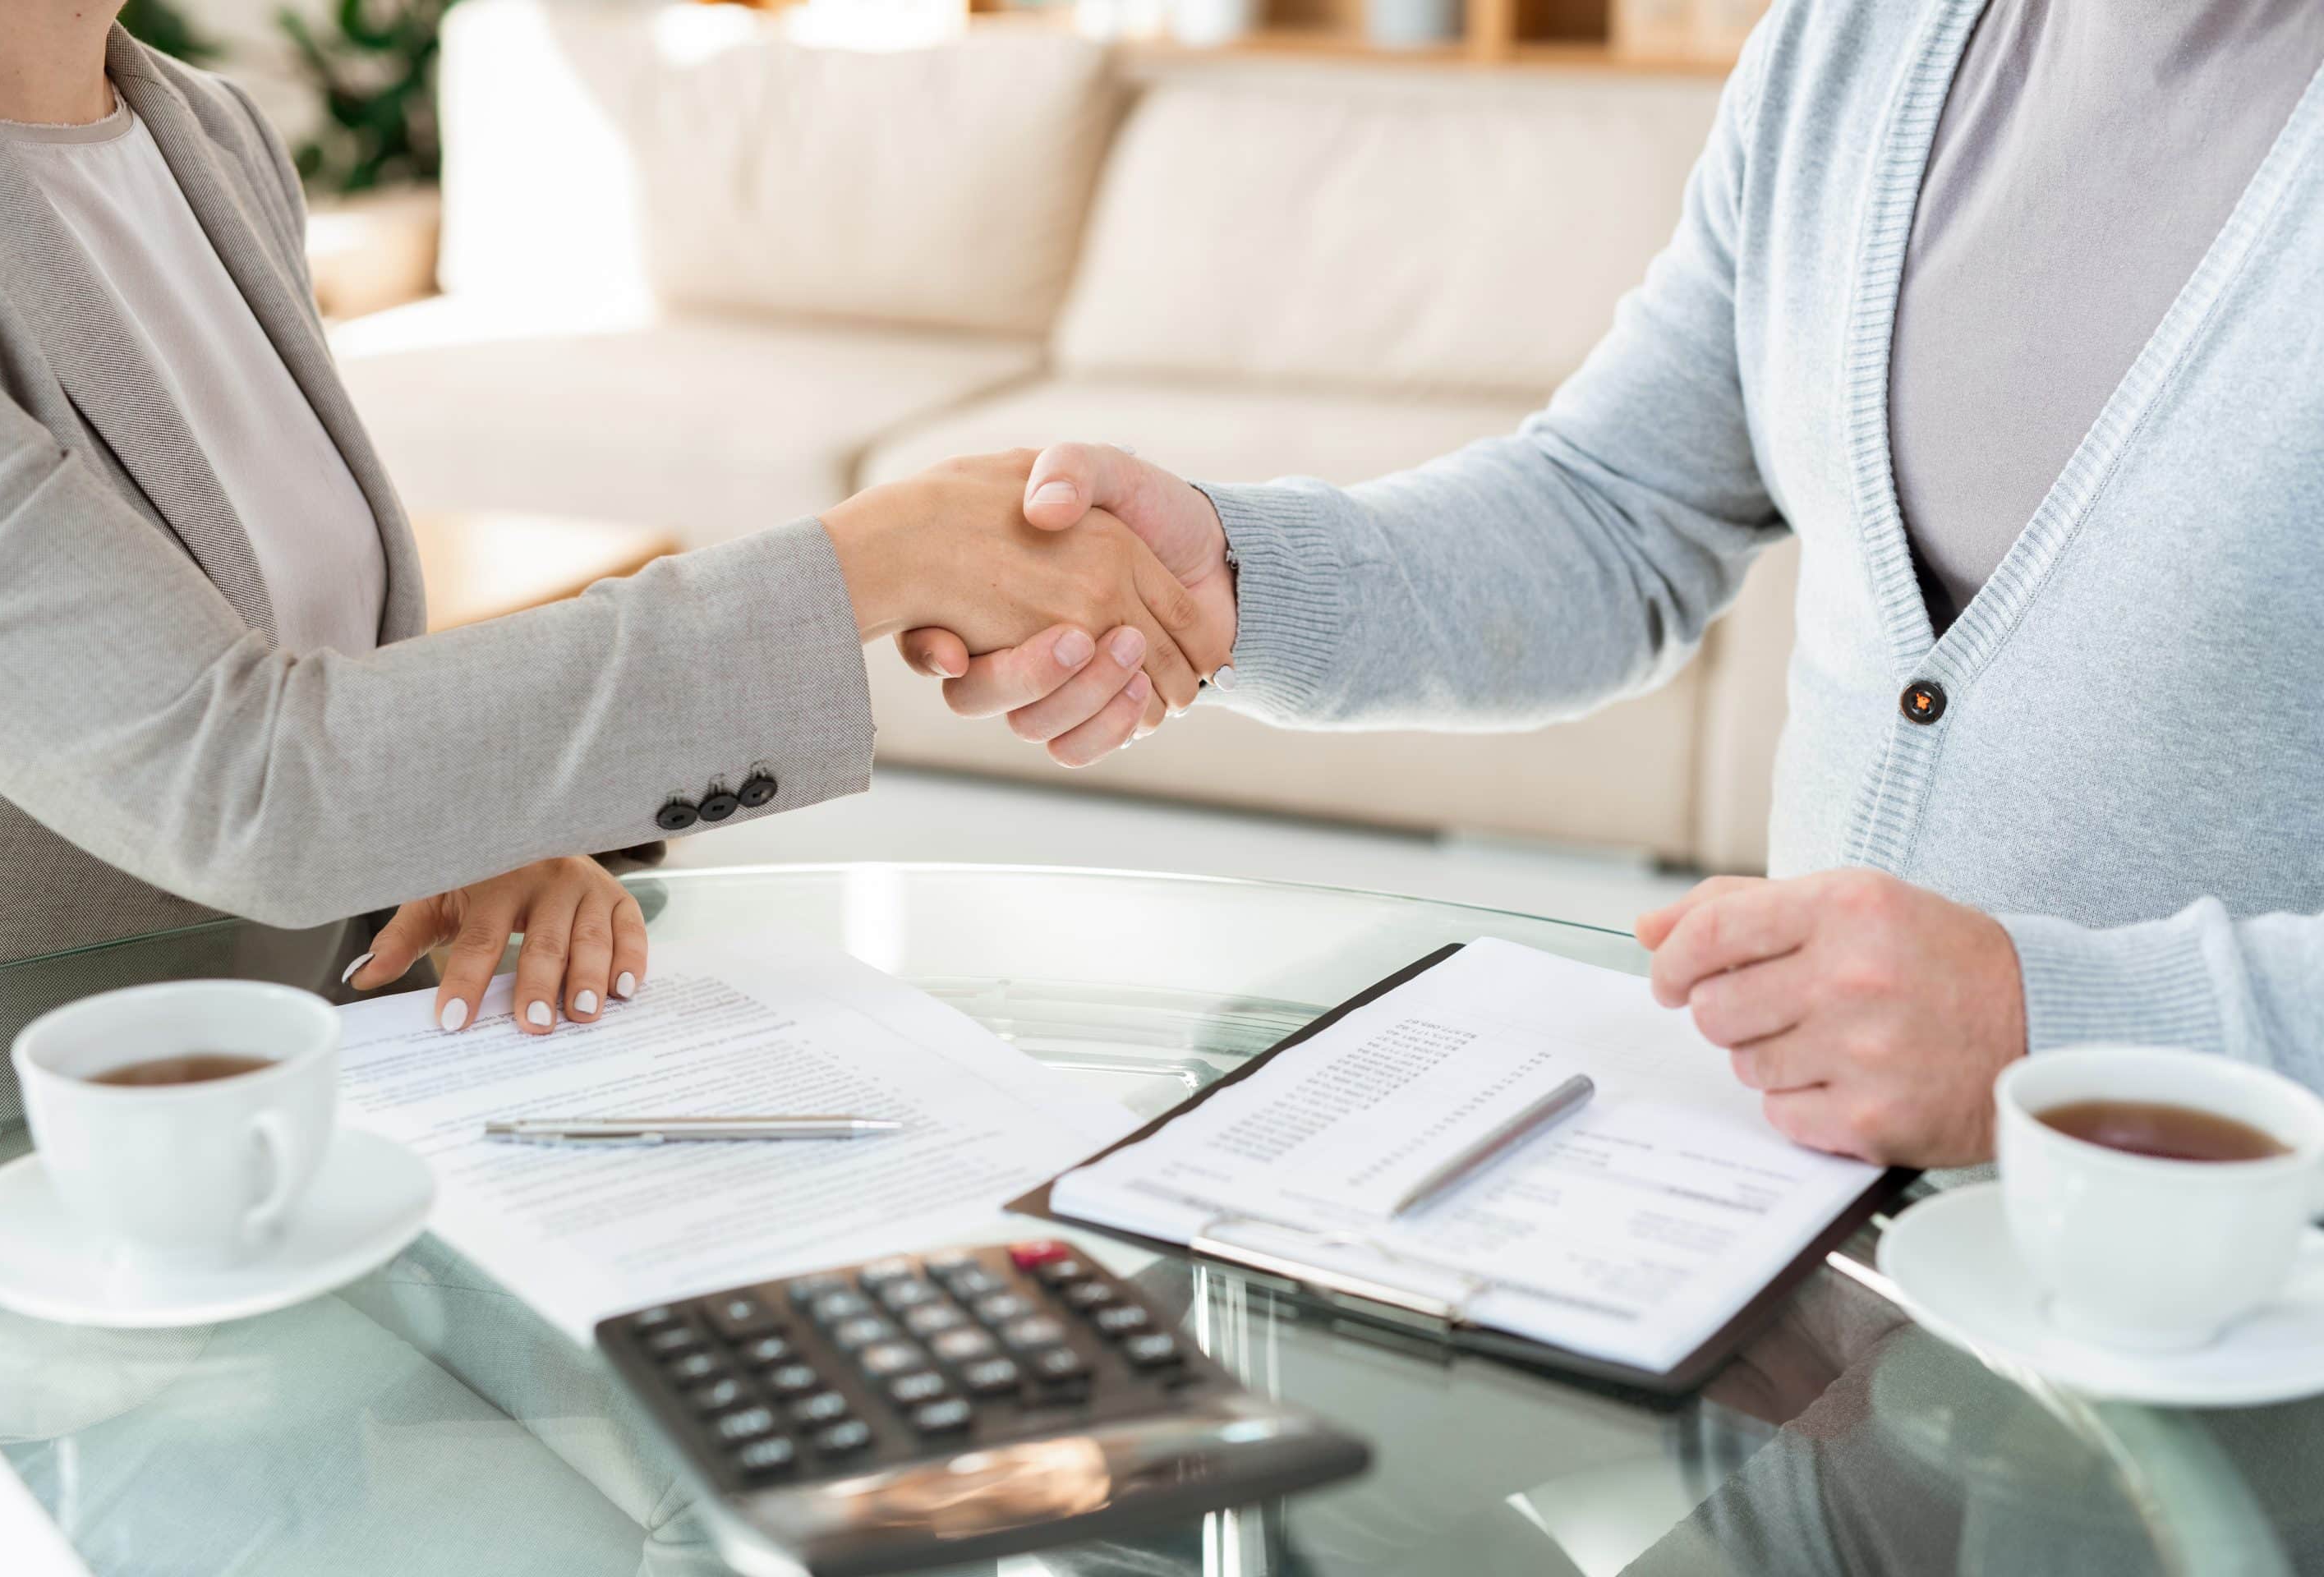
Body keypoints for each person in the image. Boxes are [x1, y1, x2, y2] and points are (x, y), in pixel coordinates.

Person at [900, 0, 2324, 1170]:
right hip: (1834, 1243)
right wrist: (1239, 578)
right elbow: (1618, 506)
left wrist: (2059, 1027)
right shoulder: (1855, 43)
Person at [0, 6, 1226, 1032]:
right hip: (30, 1180)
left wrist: (467, 838)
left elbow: (334, 692)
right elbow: (242, 785)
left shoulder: (211, 140)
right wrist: (874, 563)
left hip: (307, 1105)